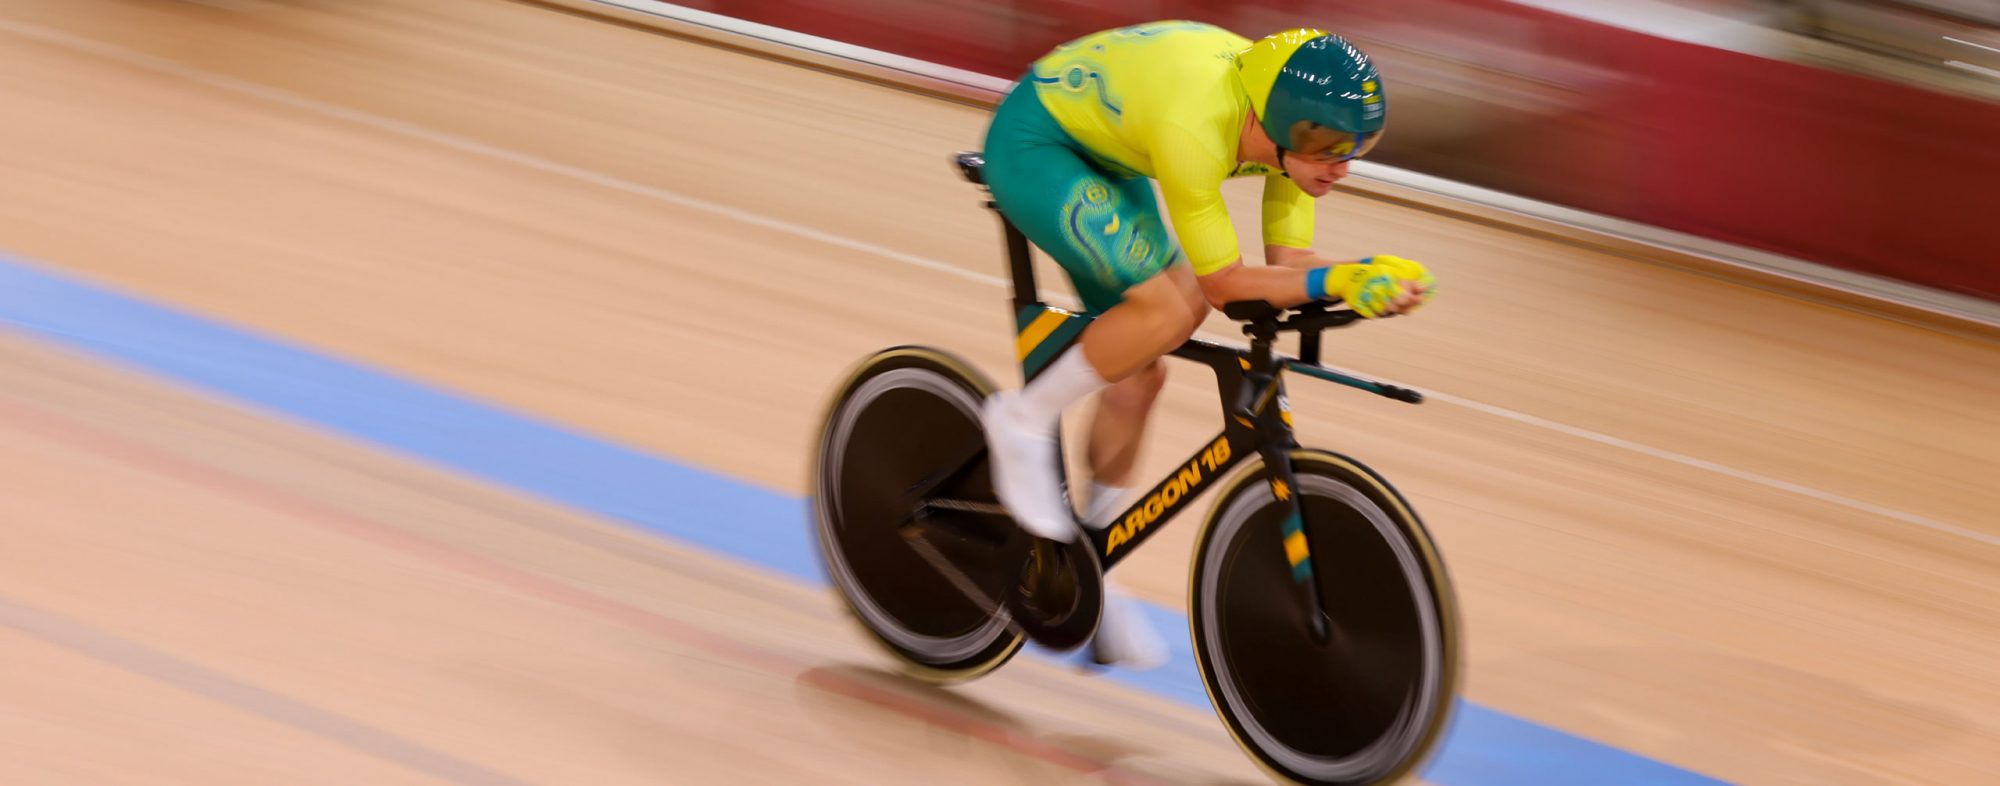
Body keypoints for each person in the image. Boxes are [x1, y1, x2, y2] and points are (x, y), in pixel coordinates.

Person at [976, 22, 1437, 670]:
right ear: (1280, 124)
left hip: (1108, 157)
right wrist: (1338, 277)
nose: (1343, 165)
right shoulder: (1198, 125)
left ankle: (1093, 560)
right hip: (1039, 143)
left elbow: (1290, 263)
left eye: (1358, 146)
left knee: (1140, 375)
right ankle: (1021, 418)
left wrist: (1367, 277)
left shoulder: (1287, 147)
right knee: (1171, 307)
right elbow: (1226, 286)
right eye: (1331, 146)